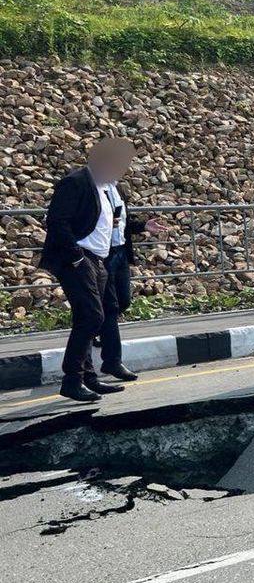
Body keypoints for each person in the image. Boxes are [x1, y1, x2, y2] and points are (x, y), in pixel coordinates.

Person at [38, 138, 140, 402]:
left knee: (101, 314)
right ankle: (72, 380)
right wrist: (76, 258)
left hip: (98, 260)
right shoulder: (76, 182)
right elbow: (57, 222)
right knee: (91, 317)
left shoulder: (105, 187)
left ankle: (89, 379)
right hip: (79, 260)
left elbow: (111, 222)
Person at [95, 173, 165, 382]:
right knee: (111, 307)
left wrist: (142, 226)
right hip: (102, 254)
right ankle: (112, 362)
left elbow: (123, 222)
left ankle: (95, 328)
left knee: (124, 301)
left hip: (120, 254)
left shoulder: (120, 189)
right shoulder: (92, 190)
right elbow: (85, 222)